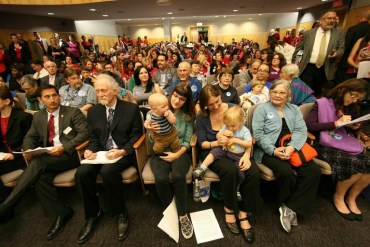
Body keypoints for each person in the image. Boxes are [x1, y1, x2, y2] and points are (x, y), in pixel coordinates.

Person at [0, 84, 88, 240]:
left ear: (59, 96)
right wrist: (28, 150)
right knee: (40, 177)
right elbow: (30, 136)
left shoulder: (73, 112)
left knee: (38, 163)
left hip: (70, 155)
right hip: (48, 157)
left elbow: (84, 133)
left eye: (55, 95)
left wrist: (64, 147)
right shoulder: (39, 116)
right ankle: (60, 213)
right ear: (40, 100)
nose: (53, 99)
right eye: (47, 97)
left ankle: (7, 205)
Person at [75, 74, 142, 244]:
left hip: (122, 153)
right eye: (97, 91)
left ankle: (120, 212)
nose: (100, 94)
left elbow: (136, 135)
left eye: (103, 91)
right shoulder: (94, 112)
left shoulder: (130, 109)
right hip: (101, 153)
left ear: (115, 91)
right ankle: (92, 213)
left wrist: (122, 151)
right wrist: (90, 150)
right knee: (82, 172)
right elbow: (94, 138)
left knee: (108, 171)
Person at [252, 80, 321, 233]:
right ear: (270, 93)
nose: (277, 95)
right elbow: (257, 134)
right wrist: (273, 150)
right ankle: (283, 203)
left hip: (292, 147)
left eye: (282, 92)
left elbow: (301, 131)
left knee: (313, 172)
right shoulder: (261, 109)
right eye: (274, 92)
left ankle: (290, 207)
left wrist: (291, 147)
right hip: (268, 150)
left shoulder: (294, 109)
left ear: (288, 95)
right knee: (286, 172)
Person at [195, 84, 261, 244]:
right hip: (215, 151)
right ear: (204, 104)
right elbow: (201, 144)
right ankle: (229, 209)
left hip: (237, 150)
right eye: (211, 104)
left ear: (220, 96)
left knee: (252, 171)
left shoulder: (232, 108)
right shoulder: (202, 116)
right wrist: (217, 143)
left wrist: (246, 155)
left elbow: (247, 136)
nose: (216, 106)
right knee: (230, 171)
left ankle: (243, 213)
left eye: (217, 101)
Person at [306, 78, 370, 222]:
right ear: (343, 90)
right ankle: (339, 197)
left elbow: (348, 125)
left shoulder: (352, 107)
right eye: (353, 95)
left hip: (340, 140)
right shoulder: (321, 103)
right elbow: (309, 126)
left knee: (369, 162)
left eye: (359, 98)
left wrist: (354, 126)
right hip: (320, 143)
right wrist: (335, 123)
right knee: (357, 164)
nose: (355, 100)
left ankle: (351, 198)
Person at [144, 82, 195, 240]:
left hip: (179, 151)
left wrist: (176, 155)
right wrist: (150, 131)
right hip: (159, 151)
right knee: (161, 178)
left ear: (186, 101)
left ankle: (182, 214)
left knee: (179, 175)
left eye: (182, 98)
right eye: (175, 95)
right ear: (170, 94)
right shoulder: (156, 110)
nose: (177, 100)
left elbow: (187, 140)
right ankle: (170, 209)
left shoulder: (187, 117)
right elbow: (151, 141)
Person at [193, 106, 252, 198]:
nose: (230, 128)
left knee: (240, 172)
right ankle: (202, 168)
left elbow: (249, 144)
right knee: (214, 152)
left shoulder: (244, 131)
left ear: (241, 122)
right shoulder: (226, 127)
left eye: (233, 126)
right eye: (227, 125)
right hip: (226, 150)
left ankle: (237, 188)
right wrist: (222, 135)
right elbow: (217, 135)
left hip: (238, 155)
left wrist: (236, 140)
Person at [292, 9, 345, 96]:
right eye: (329, 18)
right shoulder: (308, 34)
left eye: (334, 18)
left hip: (325, 68)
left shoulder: (339, 33)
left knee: (318, 93)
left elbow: (341, 48)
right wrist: (295, 64)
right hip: (307, 68)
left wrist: (337, 53)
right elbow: (299, 50)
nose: (332, 21)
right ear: (322, 20)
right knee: (305, 92)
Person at [0, 87, 32, 203]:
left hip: (19, 156)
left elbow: (29, 141)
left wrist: (12, 154)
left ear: (7, 101)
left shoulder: (24, 117)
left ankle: (4, 206)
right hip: (2, 156)